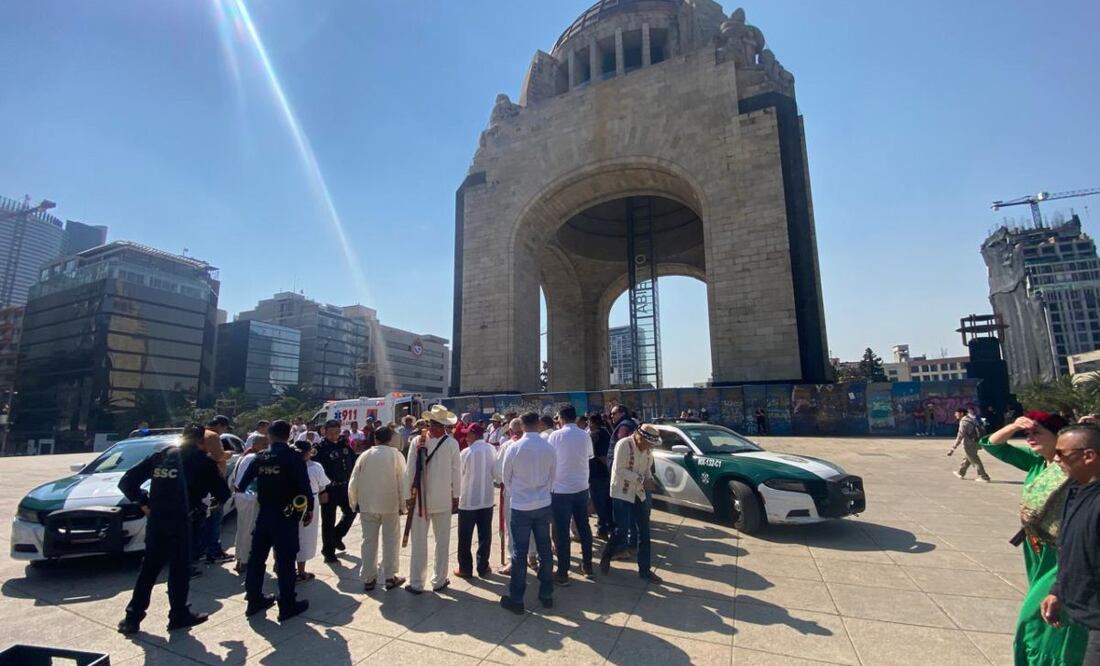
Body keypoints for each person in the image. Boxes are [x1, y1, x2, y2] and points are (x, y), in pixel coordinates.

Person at [982, 412, 1086, 665]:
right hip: (1036, 550)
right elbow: (993, 445)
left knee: (1035, 616)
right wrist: (1014, 425)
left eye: (1037, 433)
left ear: (1059, 437)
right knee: (1048, 610)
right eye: (1027, 434)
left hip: (1062, 553)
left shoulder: (1077, 469)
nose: (1029, 438)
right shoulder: (1039, 462)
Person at [116, 424, 230, 635]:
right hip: (182, 522)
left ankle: (132, 617)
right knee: (179, 570)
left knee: (149, 569)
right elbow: (223, 494)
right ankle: (178, 614)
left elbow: (127, 482)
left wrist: (144, 503)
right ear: (201, 440)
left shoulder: (161, 456)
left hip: (157, 519)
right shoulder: (202, 461)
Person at [237, 420, 313, 622]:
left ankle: (254, 599)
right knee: (286, 561)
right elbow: (304, 488)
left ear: (269, 436)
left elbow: (242, 485)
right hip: (286, 516)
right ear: (289, 435)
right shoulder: (293, 457)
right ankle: (287, 604)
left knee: (257, 559)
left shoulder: (260, 457)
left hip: (264, 515)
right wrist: (309, 511)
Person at [1041, 424, 1100, 663]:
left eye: (1061, 454)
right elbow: (1071, 547)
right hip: (1082, 609)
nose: (1056, 459)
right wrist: (1058, 590)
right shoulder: (1076, 490)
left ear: (1089, 456)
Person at [498, 412, 557, 614]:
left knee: (519, 553)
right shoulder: (549, 447)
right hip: (542, 504)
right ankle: (546, 594)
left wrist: (518, 493)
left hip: (521, 506)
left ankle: (517, 598)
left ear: (522, 426)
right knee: (545, 550)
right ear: (539, 424)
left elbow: (506, 477)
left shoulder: (514, 448)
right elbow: (553, 476)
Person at [403, 405, 462, 594]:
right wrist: (456, 496)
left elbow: (409, 471)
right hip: (440, 498)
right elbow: (456, 474)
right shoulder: (451, 443)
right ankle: (438, 580)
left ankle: (417, 583)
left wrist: (406, 496)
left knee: (421, 542)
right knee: (441, 541)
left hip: (421, 499)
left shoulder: (418, 441)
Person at [600, 424, 662, 583]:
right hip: (621, 491)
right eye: (648, 443)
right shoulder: (624, 444)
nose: (650, 447)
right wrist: (641, 479)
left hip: (638, 493)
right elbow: (619, 470)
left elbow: (647, 469)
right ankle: (607, 554)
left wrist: (650, 480)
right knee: (622, 529)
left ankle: (645, 570)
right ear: (639, 437)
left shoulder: (648, 450)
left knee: (644, 532)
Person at [349, 425, 407, 591]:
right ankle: (390, 576)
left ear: (375, 438)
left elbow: (354, 480)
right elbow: (403, 480)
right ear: (390, 439)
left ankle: (368, 577)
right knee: (390, 541)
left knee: (368, 541)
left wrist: (354, 502)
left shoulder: (365, 455)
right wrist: (404, 504)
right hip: (389, 504)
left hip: (367, 504)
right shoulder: (395, 455)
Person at [548, 405, 594, 584]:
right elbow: (588, 457)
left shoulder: (555, 435)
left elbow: (550, 459)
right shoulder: (585, 434)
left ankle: (563, 572)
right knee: (584, 527)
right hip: (581, 487)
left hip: (560, 490)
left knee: (562, 531)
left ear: (561, 418)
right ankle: (588, 566)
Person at [455, 423, 495, 579]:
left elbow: (459, 475)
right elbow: (497, 473)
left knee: (465, 536)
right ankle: (483, 566)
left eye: (467, 434)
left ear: (473, 435)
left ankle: (465, 568)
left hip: (468, 500)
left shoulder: (466, 452)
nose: (465, 437)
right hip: (486, 499)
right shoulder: (491, 449)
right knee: (485, 535)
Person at [315, 419, 357, 563]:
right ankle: (328, 551)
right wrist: (322, 491)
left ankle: (336, 536)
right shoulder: (319, 448)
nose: (334, 436)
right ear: (324, 432)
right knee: (328, 520)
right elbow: (317, 472)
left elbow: (353, 459)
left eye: (336, 432)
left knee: (351, 512)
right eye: (331, 433)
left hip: (344, 486)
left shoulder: (344, 444)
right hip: (329, 489)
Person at [231, 434, 268, 574]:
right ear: (256, 444)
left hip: (241, 496)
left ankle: (241, 558)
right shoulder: (254, 458)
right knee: (249, 530)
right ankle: (244, 561)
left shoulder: (244, 457)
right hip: (250, 497)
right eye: (264, 444)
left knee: (242, 528)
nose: (267, 447)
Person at [198, 415, 232, 565]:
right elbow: (218, 457)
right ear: (219, 425)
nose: (223, 431)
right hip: (213, 484)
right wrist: (229, 454)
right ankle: (213, 551)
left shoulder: (198, 435)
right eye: (224, 428)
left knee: (203, 520)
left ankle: (202, 551)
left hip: (200, 485)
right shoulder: (212, 436)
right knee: (215, 518)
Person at [296, 440, 330, 582]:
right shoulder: (315, 467)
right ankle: (301, 571)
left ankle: (280, 564)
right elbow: (323, 485)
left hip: (290, 501)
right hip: (310, 501)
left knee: (289, 534)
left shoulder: (289, 465)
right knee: (305, 535)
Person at [588, 412, 614, 540]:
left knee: (599, 503)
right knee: (607, 502)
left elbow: (600, 456)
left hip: (597, 474)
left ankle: (602, 528)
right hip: (606, 474)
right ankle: (609, 526)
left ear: (592, 422)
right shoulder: (606, 433)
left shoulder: (595, 436)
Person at [949, 407, 990, 482]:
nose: (955, 415)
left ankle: (983, 476)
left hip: (969, 444)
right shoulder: (972, 419)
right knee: (968, 458)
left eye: (956, 413)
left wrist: (953, 447)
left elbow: (960, 435)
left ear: (961, 413)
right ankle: (961, 473)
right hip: (976, 442)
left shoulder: (964, 421)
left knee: (975, 459)